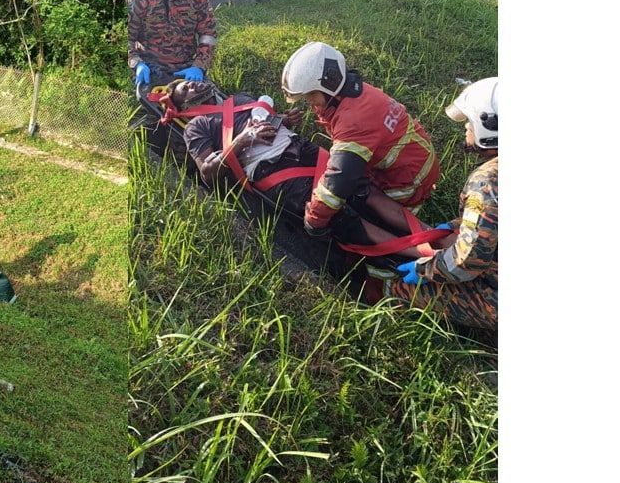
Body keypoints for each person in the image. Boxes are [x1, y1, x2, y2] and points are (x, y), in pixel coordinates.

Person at [171, 79, 439, 262]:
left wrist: (283, 120)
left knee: (363, 189)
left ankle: (438, 236)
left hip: (298, 146)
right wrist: (243, 140)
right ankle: (424, 254)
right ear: (184, 108)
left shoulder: (239, 99)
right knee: (338, 215)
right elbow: (208, 173)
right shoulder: (197, 127)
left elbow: (266, 122)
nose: (192, 83)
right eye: (184, 88)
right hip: (272, 169)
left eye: (190, 81)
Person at [281, 42, 441, 239]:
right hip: (413, 161)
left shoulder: (353, 121)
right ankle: (439, 239)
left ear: (329, 85)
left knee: (379, 230)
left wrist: (314, 220)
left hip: (407, 179)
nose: (309, 101)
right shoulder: (356, 93)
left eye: (311, 95)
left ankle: (404, 261)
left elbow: (338, 180)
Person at [391, 78, 498, 332]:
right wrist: (454, 226)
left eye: (470, 123)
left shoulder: (487, 183)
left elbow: (466, 263)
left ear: (489, 126)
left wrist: (426, 270)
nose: (466, 129)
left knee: (400, 289)